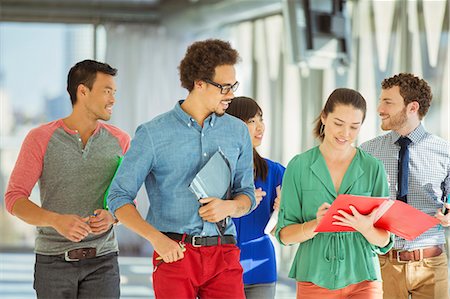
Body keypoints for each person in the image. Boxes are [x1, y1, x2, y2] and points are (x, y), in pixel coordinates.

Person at [106, 39, 256, 299]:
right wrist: (156, 239)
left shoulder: (238, 132)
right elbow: (117, 197)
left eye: (234, 86)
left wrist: (229, 207)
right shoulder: (153, 134)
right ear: (199, 83)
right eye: (224, 87)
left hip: (224, 254)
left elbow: (247, 195)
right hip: (174, 253)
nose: (231, 94)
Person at [4, 59, 129, 298]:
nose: (113, 99)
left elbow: (128, 199)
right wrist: (55, 220)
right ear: (83, 91)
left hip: (103, 262)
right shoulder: (40, 138)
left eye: (114, 92)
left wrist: (112, 217)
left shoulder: (121, 141)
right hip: (53, 263)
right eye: (107, 91)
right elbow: (14, 199)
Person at [276, 88, 394, 299]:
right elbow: (284, 235)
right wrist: (315, 225)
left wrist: (366, 228)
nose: (345, 134)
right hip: (314, 277)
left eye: (354, 127)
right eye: (338, 123)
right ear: (324, 117)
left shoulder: (372, 167)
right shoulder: (299, 166)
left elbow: (385, 240)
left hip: (364, 278)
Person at [360, 73, 450, 299]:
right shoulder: (368, 152)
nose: (380, 108)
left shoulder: (445, 152)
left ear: (412, 107)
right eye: (381, 101)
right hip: (383, 263)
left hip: (431, 264)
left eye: (388, 102)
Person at [227, 96, 285, 299]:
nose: (260, 127)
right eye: (251, 121)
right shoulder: (216, 170)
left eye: (261, 119)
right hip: (220, 269)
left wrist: (283, 210)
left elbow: (289, 223)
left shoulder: (275, 172)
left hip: (261, 266)